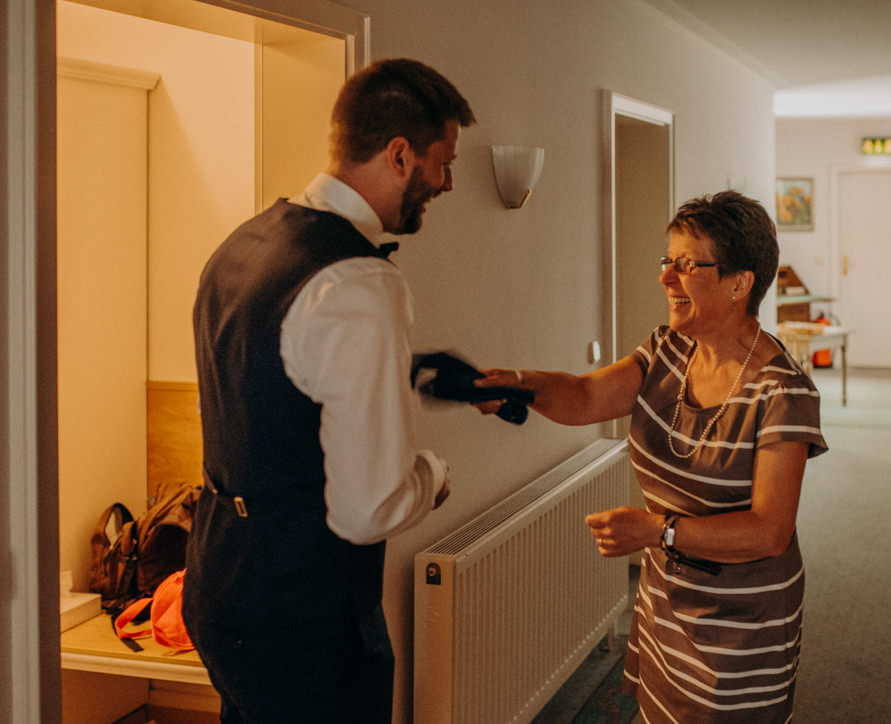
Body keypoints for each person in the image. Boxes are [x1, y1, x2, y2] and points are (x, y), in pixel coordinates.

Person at [182, 58, 475, 723]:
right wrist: (432, 475)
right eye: (441, 161)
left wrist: (421, 370)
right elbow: (366, 510)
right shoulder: (360, 284)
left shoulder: (244, 243)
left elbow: (276, 377)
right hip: (304, 616)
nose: (447, 181)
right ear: (399, 154)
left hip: (221, 582)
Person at [476, 191, 827, 722]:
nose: (667, 277)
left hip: (742, 625)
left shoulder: (782, 392)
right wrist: (521, 384)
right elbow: (587, 396)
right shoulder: (668, 349)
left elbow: (768, 530)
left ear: (739, 283)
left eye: (688, 265)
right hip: (667, 601)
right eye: (669, 260)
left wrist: (656, 531)